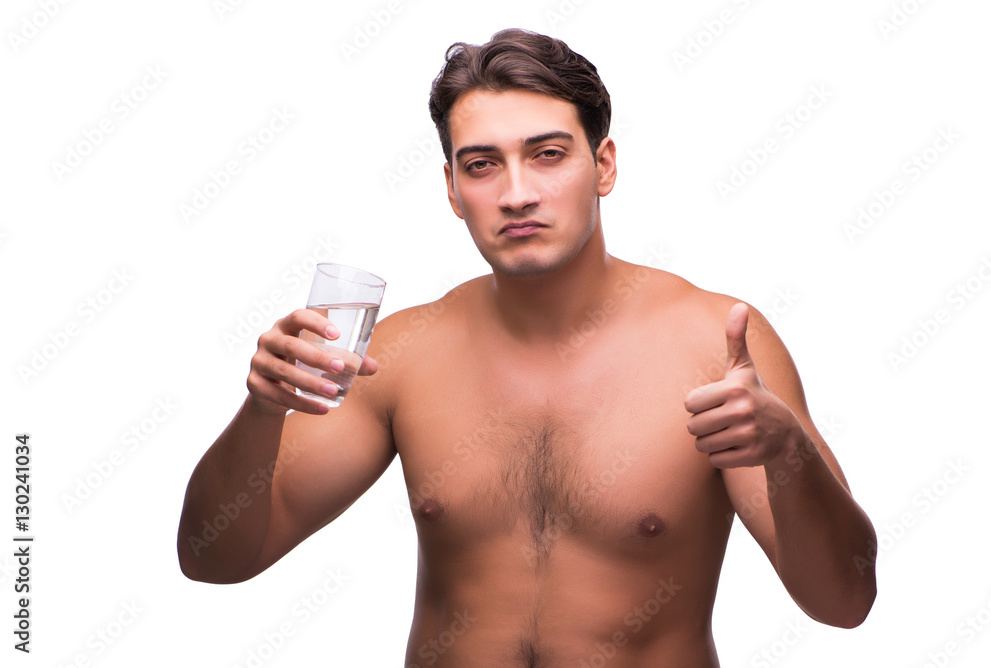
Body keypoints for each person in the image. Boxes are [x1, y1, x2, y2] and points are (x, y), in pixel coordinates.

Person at [177, 28, 877, 667]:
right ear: (452, 190)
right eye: (481, 166)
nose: (516, 193)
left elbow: (845, 603)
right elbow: (215, 560)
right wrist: (261, 411)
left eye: (547, 155)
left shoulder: (715, 345)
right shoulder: (405, 354)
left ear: (603, 165)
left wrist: (790, 452)